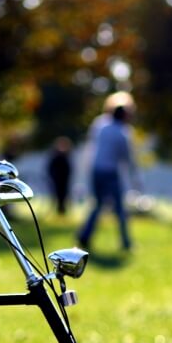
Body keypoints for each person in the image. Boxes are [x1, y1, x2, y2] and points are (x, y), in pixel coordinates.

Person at [77, 103, 141, 252]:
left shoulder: (100, 124)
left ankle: (83, 237)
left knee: (97, 205)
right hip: (110, 172)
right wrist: (136, 179)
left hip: (96, 170)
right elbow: (127, 158)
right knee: (119, 209)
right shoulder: (122, 132)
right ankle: (126, 243)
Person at [46, 137, 73, 216]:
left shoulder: (66, 155)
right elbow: (51, 168)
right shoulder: (56, 155)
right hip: (56, 179)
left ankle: (62, 210)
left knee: (63, 195)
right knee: (56, 195)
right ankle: (58, 210)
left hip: (64, 179)